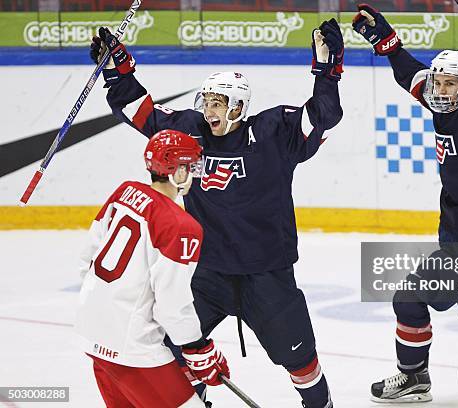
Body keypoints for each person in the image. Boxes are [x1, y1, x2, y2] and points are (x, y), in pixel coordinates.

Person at [88, 18, 344, 408]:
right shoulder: (191, 132)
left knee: (300, 357)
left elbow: (324, 115)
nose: (209, 110)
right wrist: (117, 68)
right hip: (207, 273)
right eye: (206, 101)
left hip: (267, 272)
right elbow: (141, 113)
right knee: (172, 346)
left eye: (218, 103)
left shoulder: (275, 133)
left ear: (238, 107)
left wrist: (327, 72)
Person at [352, 4, 458, 403]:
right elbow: (408, 72)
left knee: (409, 297)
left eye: (449, 84)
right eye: (438, 84)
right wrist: (385, 40)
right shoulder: (439, 100)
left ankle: (412, 376)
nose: (440, 90)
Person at [76, 129, 230, 408]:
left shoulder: (124, 192)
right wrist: (197, 348)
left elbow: (87, 258)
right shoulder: (182, 227)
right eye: (190, 166)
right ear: (176, 170)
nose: (193, 174)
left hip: (91, 331)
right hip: (133, 347)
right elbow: (172, 305)